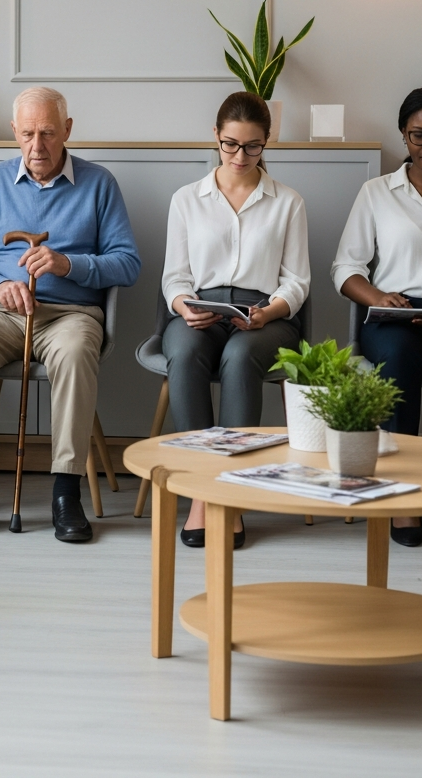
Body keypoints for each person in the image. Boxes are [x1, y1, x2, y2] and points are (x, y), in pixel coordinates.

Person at [0, 86, 141, 542]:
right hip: (0, 313)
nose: (37, 145)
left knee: (75, 354)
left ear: (67, 130)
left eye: (48, 133)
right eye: (28, 133)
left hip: (70, 315)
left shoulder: (99, 184)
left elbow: (128, 263)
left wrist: (68, 264)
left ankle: (66, 494)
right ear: (14, 131)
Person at [161, 92, 309, 549]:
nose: (240, 156)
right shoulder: (187, 199)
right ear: (216, 137)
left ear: (267, 142)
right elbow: (175, 276)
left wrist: (267, 312)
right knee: (184, 354)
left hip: (266, 315)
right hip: (201, 310)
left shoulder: (288, 202)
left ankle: (229, 495)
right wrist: (184, 305)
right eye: (230, 144)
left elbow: (297, 282)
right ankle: (202, 492)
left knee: (241, 358)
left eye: (252, 146)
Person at [332, 84, 422, 548]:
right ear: (404, 134)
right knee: (398, 363)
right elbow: (346, 268)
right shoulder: (376, 192)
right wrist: (379, 295)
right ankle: (401, 498)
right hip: (393, 315)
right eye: (419, 135)